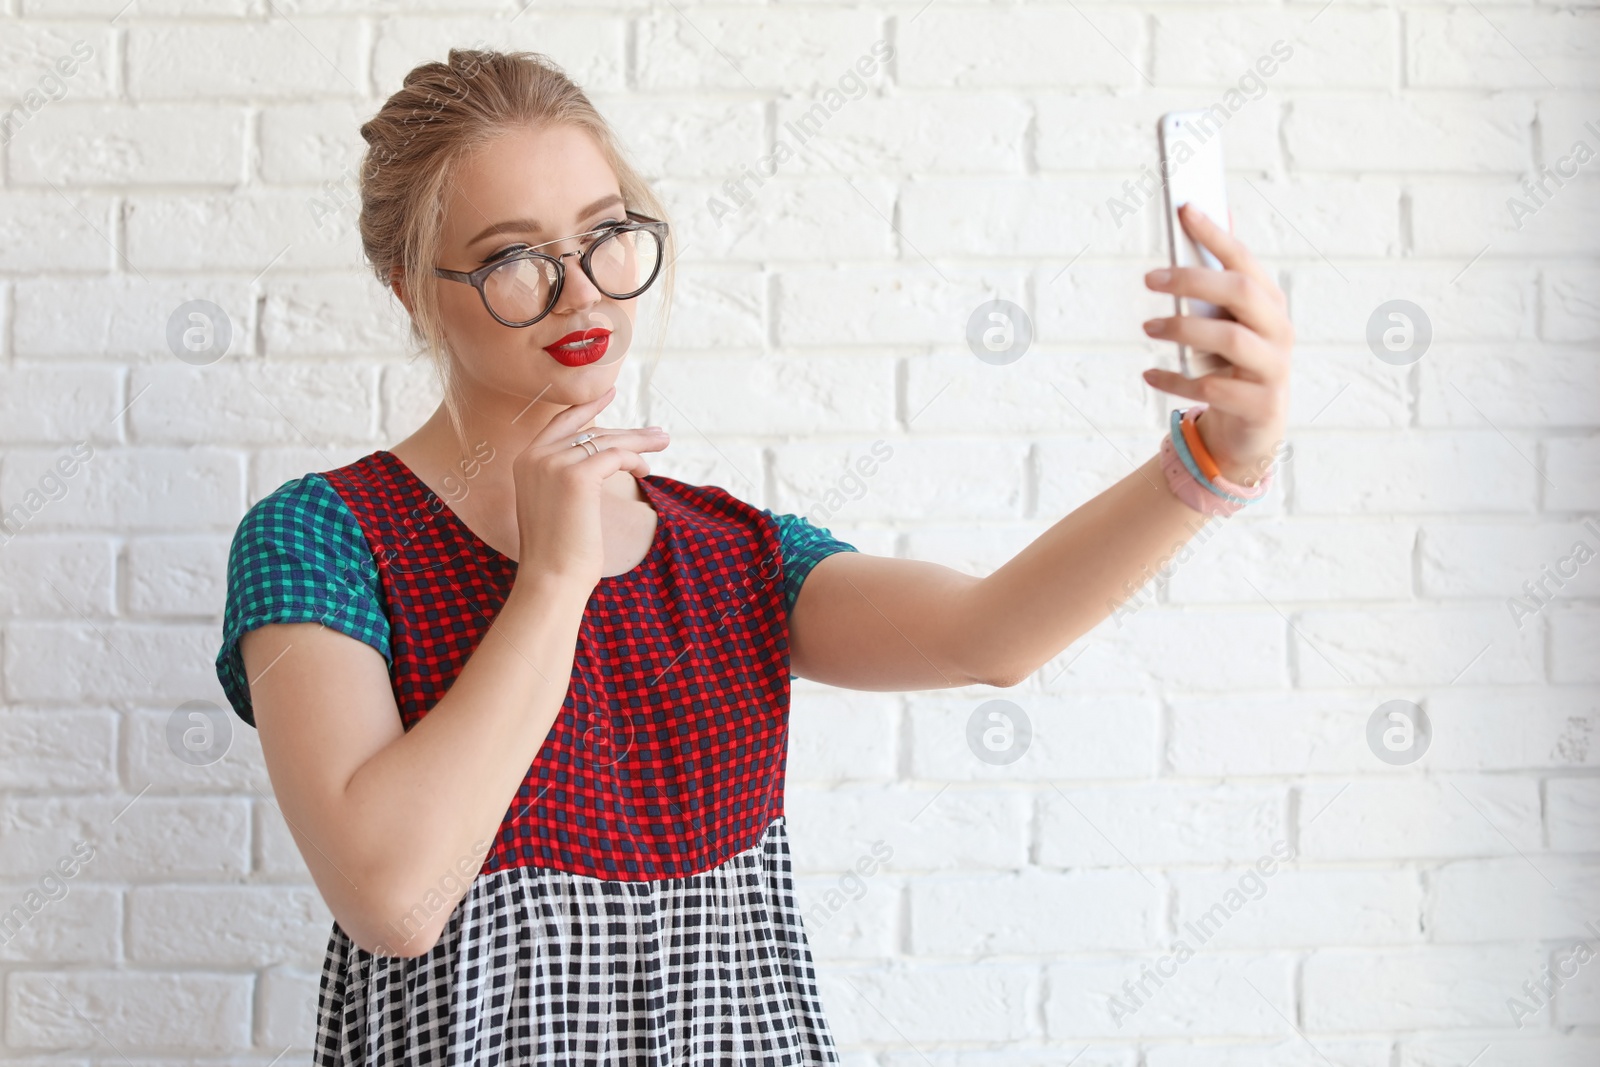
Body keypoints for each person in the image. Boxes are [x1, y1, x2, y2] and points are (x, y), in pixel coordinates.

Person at [214, 48, 1292, 1067]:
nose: (583, 292)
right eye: (512, 261)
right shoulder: (321, 538)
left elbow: (988, 636)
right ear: (410, 286)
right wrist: (552, 577)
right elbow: (395, 899)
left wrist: (1208, 460)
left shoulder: (727, 553)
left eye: (605, 235)